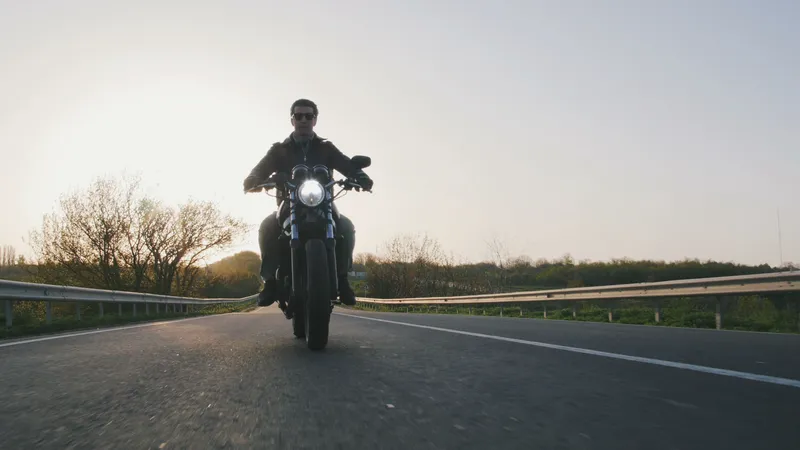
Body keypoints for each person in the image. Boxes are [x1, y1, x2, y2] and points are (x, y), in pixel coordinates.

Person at [242, 98, 373, 308]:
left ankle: (342, 280)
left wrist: (359, 176)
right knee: (267, 227)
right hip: (288, 204)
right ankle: (270, 282)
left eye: (308, 116)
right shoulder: (279, 150)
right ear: (292, 120)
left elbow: (346, 164)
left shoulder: (326, 148)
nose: (304, 120)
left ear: (315, 120)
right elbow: (260, 168)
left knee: (346, 227)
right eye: (299, 116)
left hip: (324, 205)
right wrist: (253, 179)